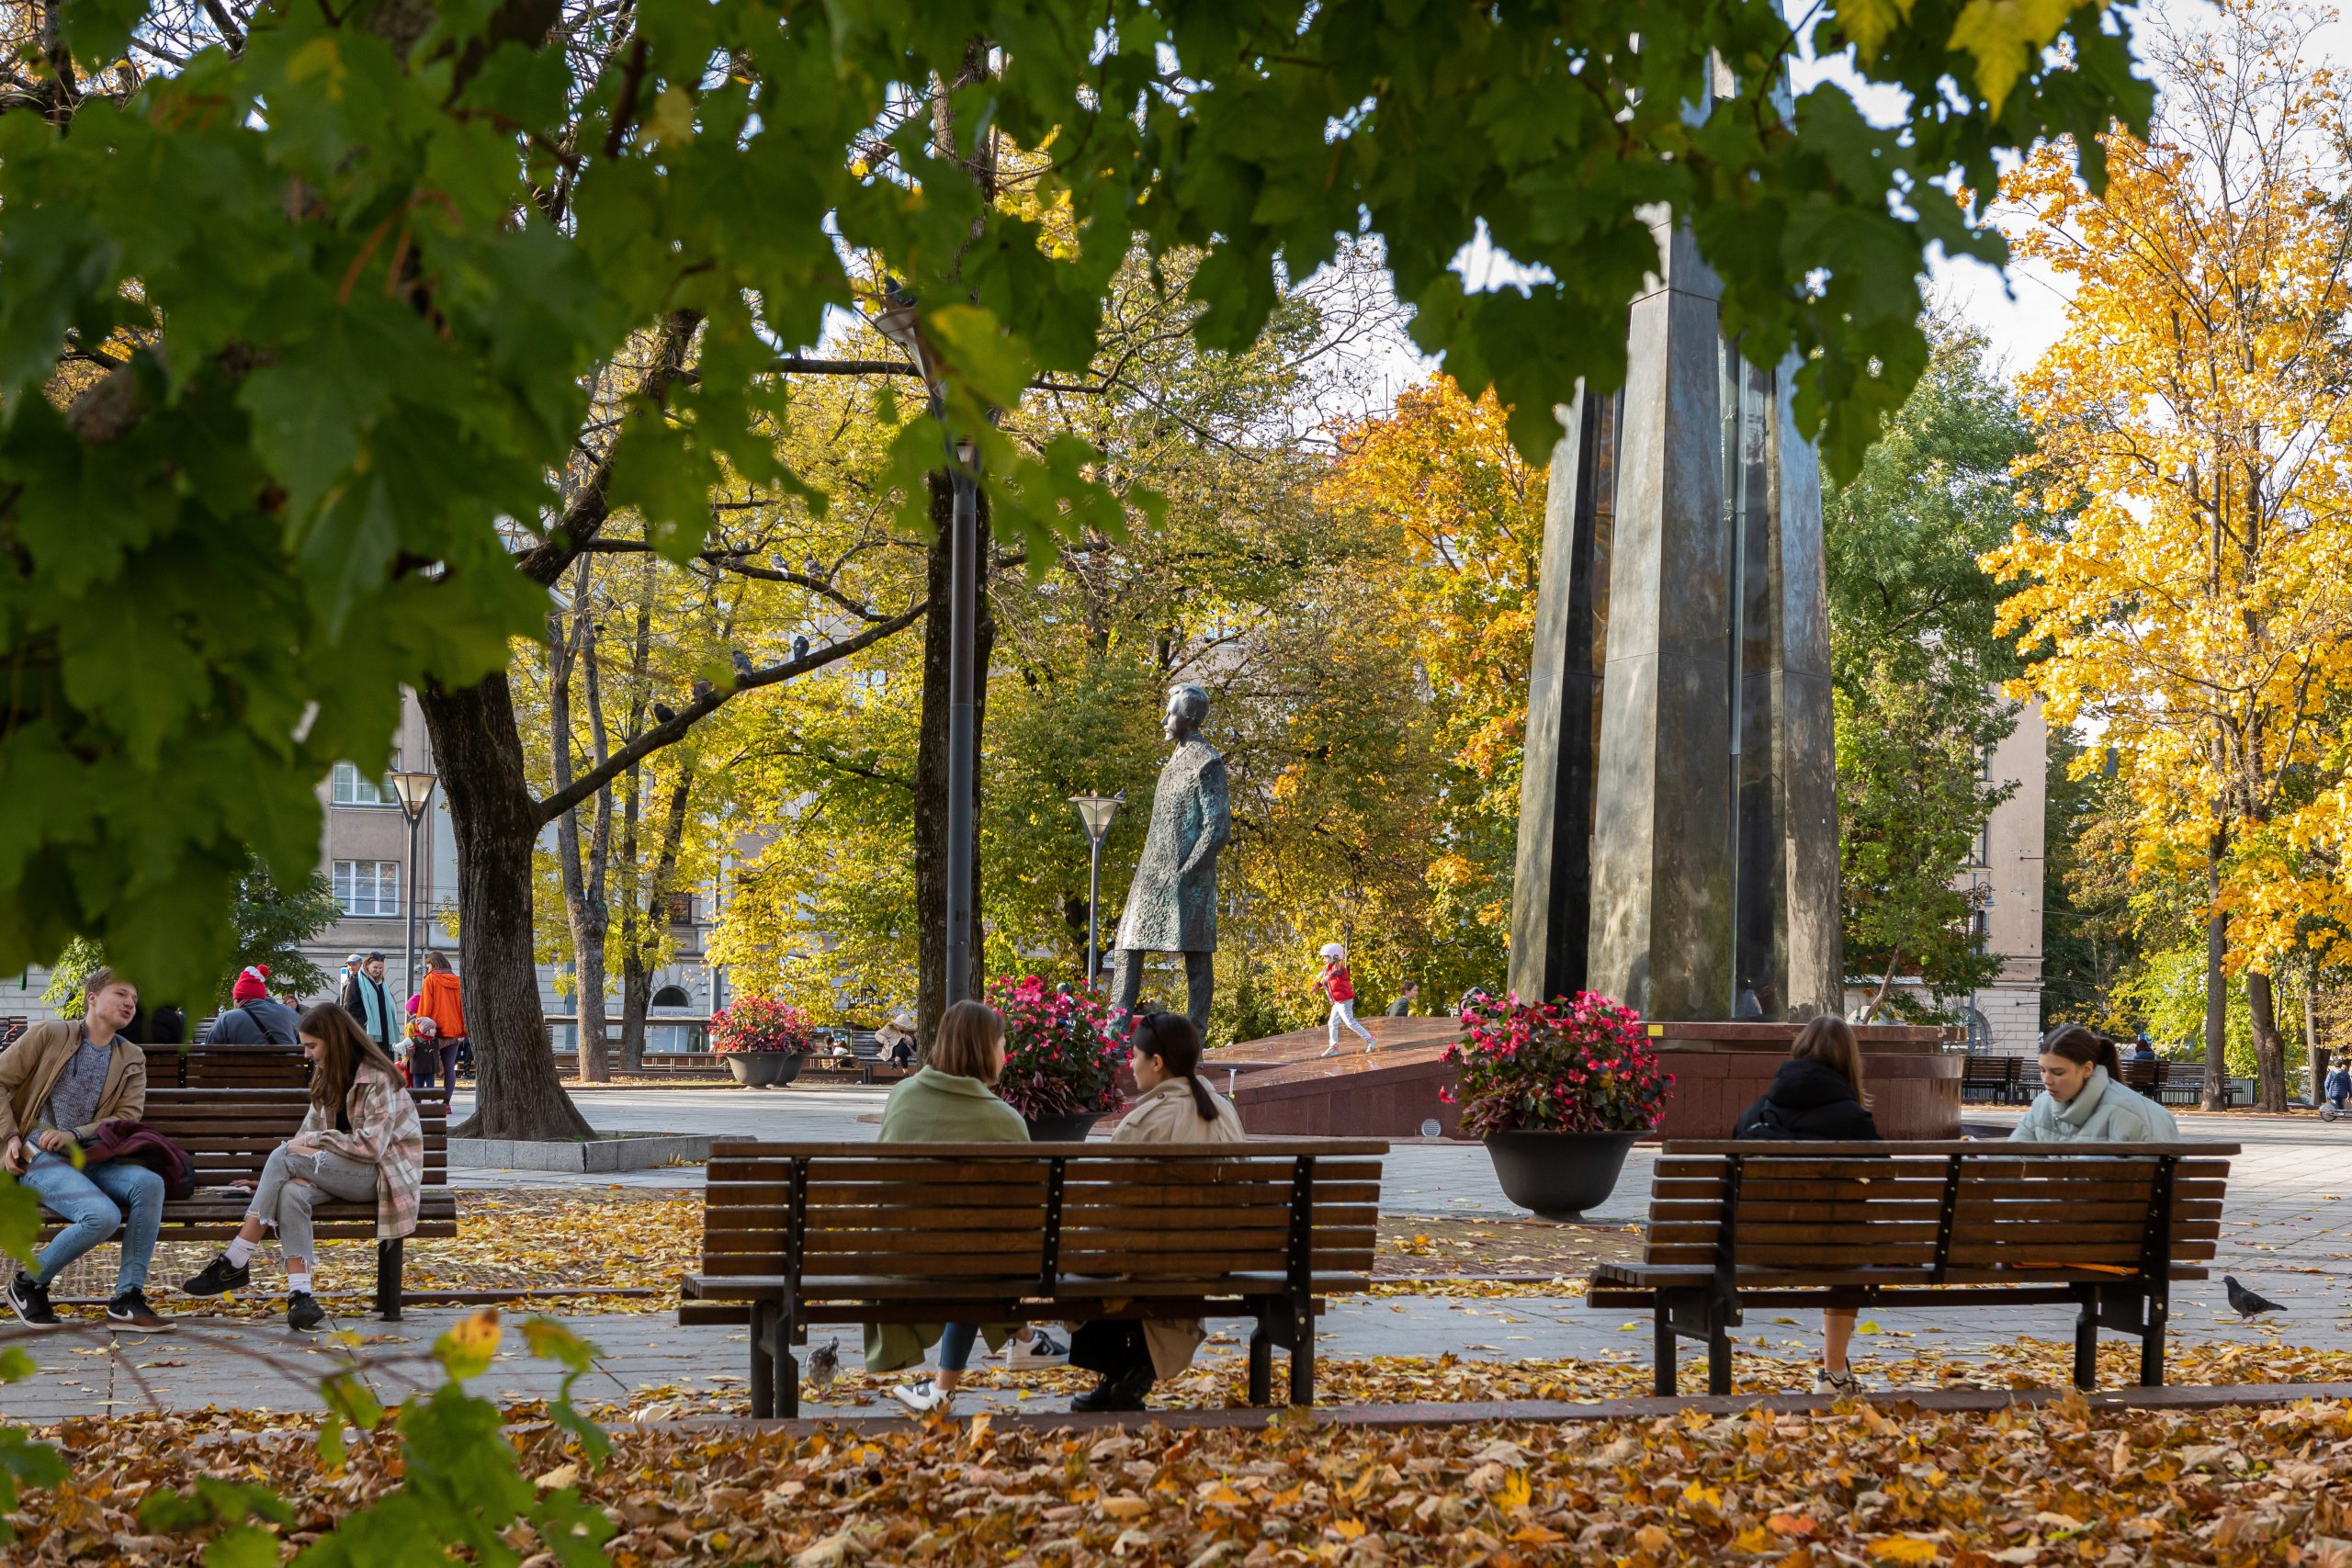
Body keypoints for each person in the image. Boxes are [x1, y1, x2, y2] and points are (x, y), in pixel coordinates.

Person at [870, 999, 1064, 1414]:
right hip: (977, 1267)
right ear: (982, 1050)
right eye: (1001, 1043)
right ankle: (1024, 1341)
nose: (1005, 1053)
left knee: (971, 1248)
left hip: (901, 1264)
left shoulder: (901, 1097)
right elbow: (1025, 1214)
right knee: (980, 1250)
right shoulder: (1005, 1121)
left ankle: (1002, 1356)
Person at [181, 1004, 424, 1331]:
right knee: (291, 1192)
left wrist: (311, 1143)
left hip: (382, 1176)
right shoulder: (326, 1073)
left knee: (284, 1156)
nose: (307, 1054)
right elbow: (303, 1139)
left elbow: (370, 1147)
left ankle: (236, 1259)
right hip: (342, 1170)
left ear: (334, 1041)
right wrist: (274, 1180)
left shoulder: (376, 1078)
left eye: (312, 1046)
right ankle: (301, 1297)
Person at [1068, 1012, 1246, 1413]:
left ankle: (1123, 1368)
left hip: (1153, 1259)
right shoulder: (1223, 1109)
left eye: (1134, 1056)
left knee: (1091, 1258)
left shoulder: (1146, 1119)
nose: (1130, 1065)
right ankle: (1125, 1376)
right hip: (1216, 1257)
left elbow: (1112, 1207)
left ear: (1157, 1062)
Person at [0, 968, 174, 1330]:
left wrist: (76, 1134)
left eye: (134, 999)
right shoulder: (51, 1034)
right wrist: (9, 1138)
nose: (130, 1003)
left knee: (150, 1183)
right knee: (103, 1216)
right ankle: (27, 1284)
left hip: (93, 1157)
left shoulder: (131, 1057)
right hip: (37, 1158)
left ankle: (127, 1299)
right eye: (121, 994)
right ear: (91, 998)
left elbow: (128, 1116)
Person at [1731, 1015, 1878, 1394]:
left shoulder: (1754, 1113)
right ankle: (1834, 1375)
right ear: (1850, 1060)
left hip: (1754, 1249)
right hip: (1831, 1253)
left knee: (1848, 1245)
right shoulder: (1852, 1118)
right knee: (1854, 1250)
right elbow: (1884, 1178)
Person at [2012, 1024, 2182, 1143]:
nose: (2047, 1080)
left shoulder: (2133, 1117)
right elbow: (2007, 1165)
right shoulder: (2042, 1106)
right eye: (2042, 1070)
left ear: (2087, 1069)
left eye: (2058, 1072)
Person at [203, 965, 301, 1044]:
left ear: (238, 999)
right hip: (286, 1069)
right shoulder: (290, 1013)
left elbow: (209, 1053)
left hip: (239, 1069)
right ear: (261, 996)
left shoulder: (226, 1018)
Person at [1313, 942, 1374, 1057]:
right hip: (1337, 1001)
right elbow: (1324, 979)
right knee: (1332, 1023)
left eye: (1326, 957)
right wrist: (1317, 986)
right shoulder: (1328, 968)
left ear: (1334, 956)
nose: (1324, 960)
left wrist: (1329, 976)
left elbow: (1336, 973)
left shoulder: (1339, 967)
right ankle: (1334, 1047)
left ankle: (1370, 1039)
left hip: (1344, 1000)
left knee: (1350, 1022)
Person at [416, 952, 467, 1095]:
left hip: (435, 1030)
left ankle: (430, 1101)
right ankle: (446, 1103)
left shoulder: (431, 979)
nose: (427, 970)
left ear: (433, 965)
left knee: (429, 1066)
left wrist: (420, 1026)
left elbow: (426, 1005)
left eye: (428, 967)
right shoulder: (458, 981)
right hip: (455, 1031)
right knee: (449, 1067)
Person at [341, 953, 400, 1055]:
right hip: (367, 1033)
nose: (378, 970)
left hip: (384, 1033)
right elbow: (352, 1008)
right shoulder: (356, 982)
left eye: (381, 968)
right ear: (367, 965)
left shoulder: (382, 984)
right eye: (375, 967)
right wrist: (366, 1021)